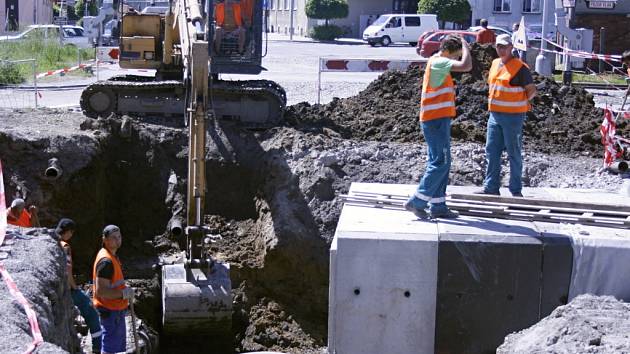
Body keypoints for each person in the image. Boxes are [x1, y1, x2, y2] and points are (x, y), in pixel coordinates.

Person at [404, 35, 472, 219]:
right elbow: (467, 66)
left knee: (442, 162)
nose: (457, 59)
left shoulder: (437, 61)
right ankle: (417, 201)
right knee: (439, 162)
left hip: (438, 119)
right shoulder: (439, 61)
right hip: (434, 119)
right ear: (449, 51)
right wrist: (466, 47)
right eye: (456, 55)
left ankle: (438, 206)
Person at [476, 34, 537, 197]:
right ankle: (491, 187)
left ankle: (516, 189)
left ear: (511, 47)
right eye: (499, 47)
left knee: (513, 152)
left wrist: (519, 103)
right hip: (495, 115)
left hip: (513, 117)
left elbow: (531, 91)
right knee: (492, 151)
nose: (501, 50)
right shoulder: (495, 63)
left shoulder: (520, 67)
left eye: (504, 47)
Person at [57, 218, 102, 353]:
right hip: (68, 289)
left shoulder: (52, 241)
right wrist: (74, 287)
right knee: (92, 314)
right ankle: (97, 348)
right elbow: (67, 268)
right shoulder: (65, 246)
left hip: (58, 290)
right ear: (69, 232)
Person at [93, 225, 134, 354]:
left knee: (119, 348)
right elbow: (102, 291)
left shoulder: (112, 256)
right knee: (111, 348)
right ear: (105, 240)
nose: (117, 240)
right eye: (113, 238)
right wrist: (123, 293)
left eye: (119, 237)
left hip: (115, 310)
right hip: (110, 310)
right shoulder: (106, 262)